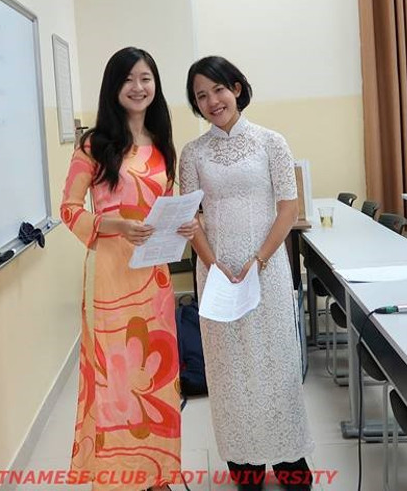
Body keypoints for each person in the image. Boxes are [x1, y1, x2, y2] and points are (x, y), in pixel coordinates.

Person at [60, 47, 195, 491]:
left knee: (156, 376)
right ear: (114, 88)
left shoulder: (161, 143)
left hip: (153, 277)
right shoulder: (93, 145)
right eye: (129, 80)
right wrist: (110, 224)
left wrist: (183, 223)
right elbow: (67, 210)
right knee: (116, 378)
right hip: (110, 279)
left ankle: (156, 473)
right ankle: (120, 479)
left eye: (146, 78)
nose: (138, 88)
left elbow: (164, 207)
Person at [179, 56, 314, 491]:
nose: (211, 101)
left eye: (217, 89)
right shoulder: (192, 153)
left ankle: (290, 460)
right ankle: (245, 464)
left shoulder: (271, 142)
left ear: (236, 88)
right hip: (216, 274)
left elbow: (288, 208)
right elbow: (191, 218)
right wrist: (213, 265)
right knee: (229, 369)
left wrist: (258, 260)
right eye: (201, 96)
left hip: (267, 268)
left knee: (275, 363)